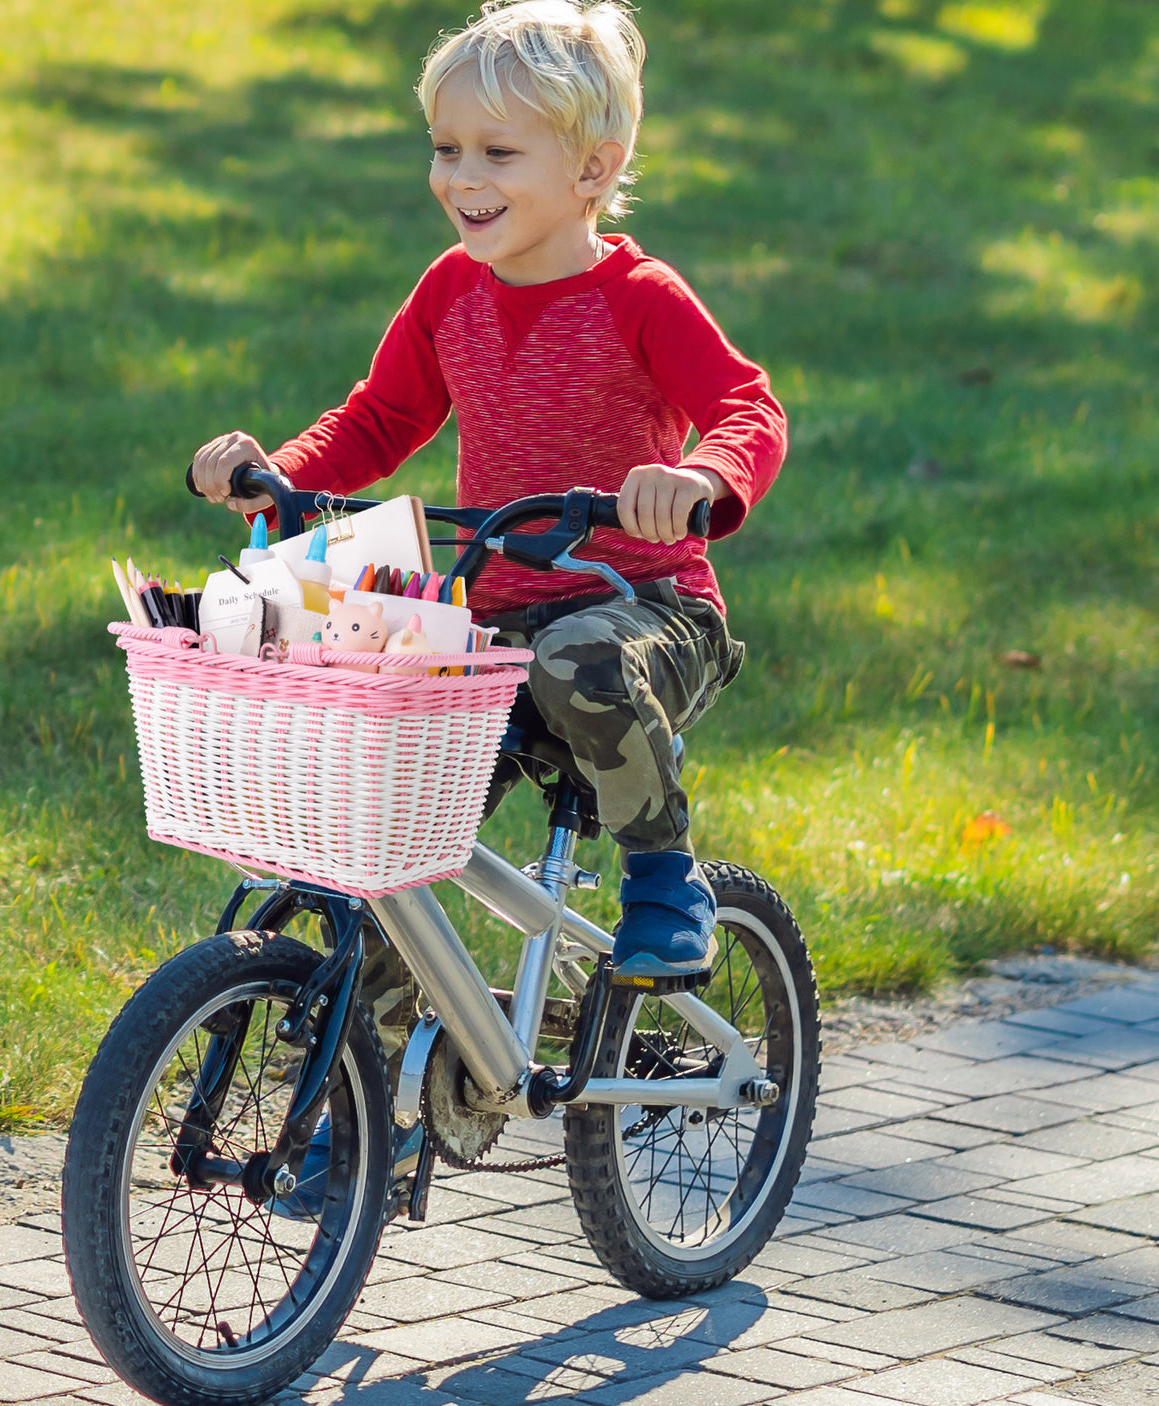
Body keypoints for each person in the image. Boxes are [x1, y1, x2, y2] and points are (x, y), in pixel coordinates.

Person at [193, 0, 783, 1002]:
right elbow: (379, 418)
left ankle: (660, 869)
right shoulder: (448, 294)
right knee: (376, 812)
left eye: (497, 153)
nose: (462, 179)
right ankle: (368, 1086)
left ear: (591, 170)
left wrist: (698, 479)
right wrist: (275, 472)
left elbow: (743, 404)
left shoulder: (639, 297)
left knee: (578, 657)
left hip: (643, 608)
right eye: (445, 149)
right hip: (493, 616)